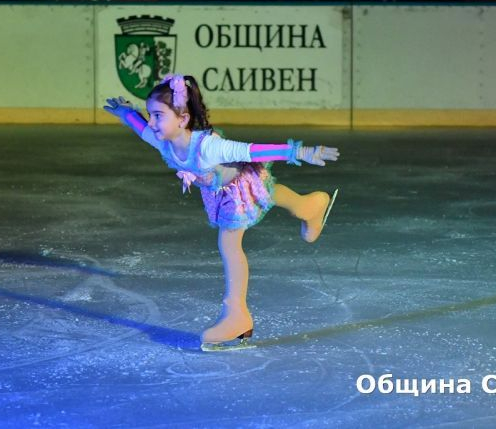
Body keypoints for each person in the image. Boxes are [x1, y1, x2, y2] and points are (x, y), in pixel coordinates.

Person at [104, 74, 339, 350]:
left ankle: (236, 314)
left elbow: (252, 151)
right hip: (218, 189)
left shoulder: (209, 147)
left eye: (158, 115)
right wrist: (125, 113)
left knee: (230, 242)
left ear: (181, 119)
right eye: (151, 114)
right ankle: (311, 206)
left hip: (237, 186)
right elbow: (141, 128)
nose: (152, 122)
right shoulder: (163, 140)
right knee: (270, 194)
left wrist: (299, 151)